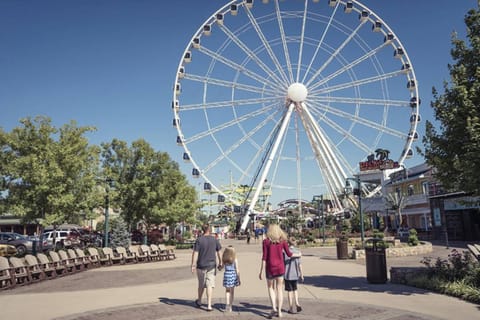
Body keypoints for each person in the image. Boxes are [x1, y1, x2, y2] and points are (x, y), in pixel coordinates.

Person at [258, 223, 300, 318]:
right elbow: (289, 254)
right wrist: (298, 255)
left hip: (270, 268)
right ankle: (280, 311)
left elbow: (264, 257)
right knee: (279, 289)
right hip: (280, 268)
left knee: (270, 288)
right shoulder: (283, 241)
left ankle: (274, 307)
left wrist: (260, 271)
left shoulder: (266, 242)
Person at [191, 223, 222, 311]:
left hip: (201, 265)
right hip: (211, 265)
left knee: (201, 284)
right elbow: (219, 251)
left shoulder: (199, 240)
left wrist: (193, 264)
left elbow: (195, 253)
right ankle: (209, 305)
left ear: (202, 230)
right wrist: (221, 262)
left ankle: (199, 300)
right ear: (209, 229)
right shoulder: (214, 240)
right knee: (210, 284)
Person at [284, 237, 304, 314]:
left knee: (289, 291)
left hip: (287, 274)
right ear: (295, 243)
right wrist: (301, 274)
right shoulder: (297, 252)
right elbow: (300, 265)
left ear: (288, 243)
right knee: (295, 290)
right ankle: (297, 303)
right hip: (295, 274)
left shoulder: (285, 252)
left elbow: (283, 263)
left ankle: (291, 307)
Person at [219, 245, 241, 312]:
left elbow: (221, 267)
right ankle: (230, 306)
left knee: (227, 291)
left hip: (226, 274)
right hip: (233, 275)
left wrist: (219, 267)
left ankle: (227, 305)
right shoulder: (235, 259)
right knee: (232, 292)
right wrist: (239, 278)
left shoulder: (224, 259)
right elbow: (237, 270)